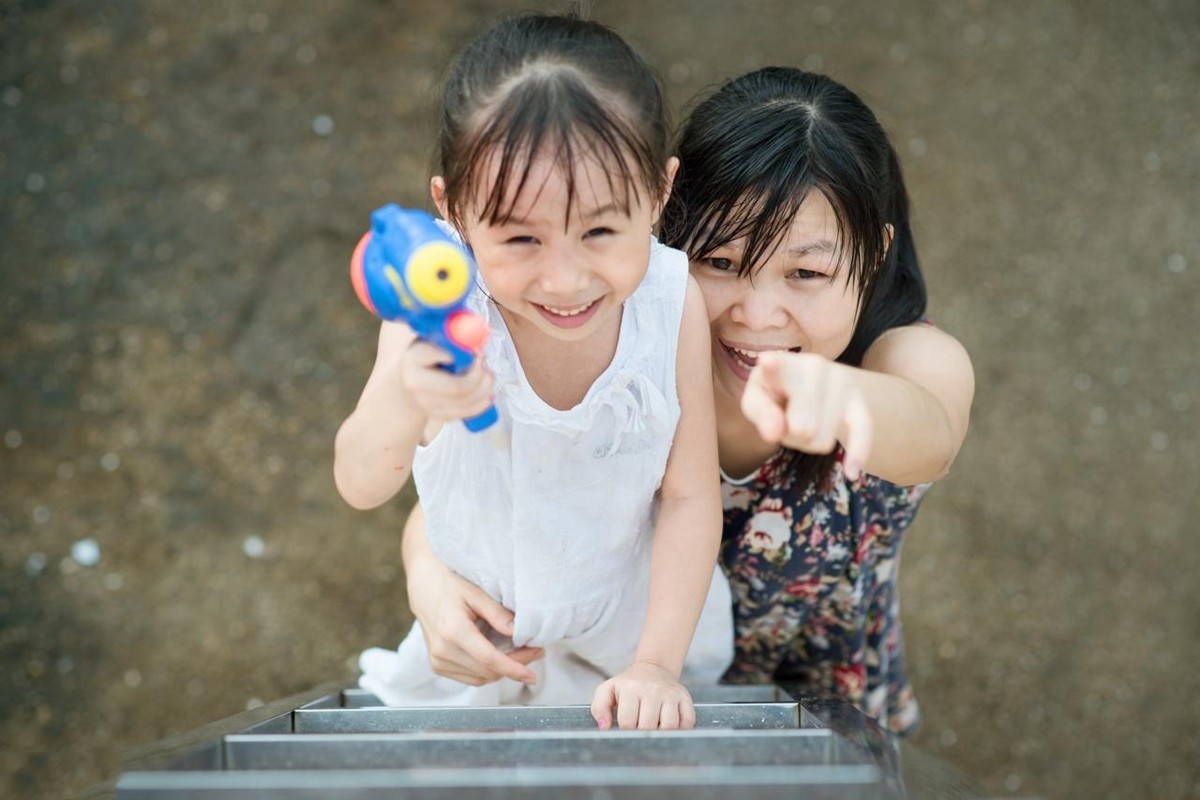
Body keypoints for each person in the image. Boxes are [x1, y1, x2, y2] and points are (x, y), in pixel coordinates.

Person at [400, 65, 974, 735]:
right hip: (633, 694)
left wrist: (846, 396)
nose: (757, 316)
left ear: (873, 257)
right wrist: (428, 574)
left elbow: (932, 430)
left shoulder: (902, 356)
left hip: (820, 695)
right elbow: (482, 478)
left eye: (807, 273)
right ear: (663, 236)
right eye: (721, 263)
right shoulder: (621, 348)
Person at [333, 13, 733, 731]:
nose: (566, 278)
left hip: (632, 632)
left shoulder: (673, 304)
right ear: (451, 212)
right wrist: (403, 393)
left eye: (602, 231)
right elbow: (361, 483)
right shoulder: (434, 312)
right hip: (478, 642)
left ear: (659, 194)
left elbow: (689, 497)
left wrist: (658, 663)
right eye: (520, 237)